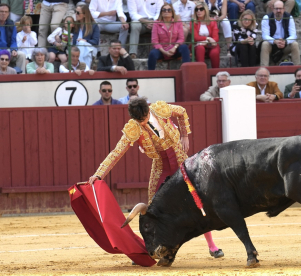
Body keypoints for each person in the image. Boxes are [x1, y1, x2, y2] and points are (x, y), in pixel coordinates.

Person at [88, 97, 224, 259]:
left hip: (180, 159)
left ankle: (212, 246)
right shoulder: (134, 127)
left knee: (196, 200)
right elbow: (117, 152)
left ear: (148, 111)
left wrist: (185, 135)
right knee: (153, 209)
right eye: (139, 122)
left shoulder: (160, 109)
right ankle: (152, 248)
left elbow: (182, 112)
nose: (143, 124)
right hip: (161, 165)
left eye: (144, 119)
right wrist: (99, 173)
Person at [147, 3, 190, 70]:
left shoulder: (178, 22)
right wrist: (164, 52)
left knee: (184, 47)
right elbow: (155, 41)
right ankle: (150, 75)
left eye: (169, 10)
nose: (166, 11)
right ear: (161, 13)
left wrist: (174, 48)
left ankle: (187, 71)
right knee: (152, 53)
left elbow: (181, 39)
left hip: (174, 50)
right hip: (162, 51)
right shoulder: (156, 23)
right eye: (164, 10)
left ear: (172, 13)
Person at [260, 0, 300, 66]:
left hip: (284, 44)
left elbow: (293, 35)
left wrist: (285, 41)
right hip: (272, 45)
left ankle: (298, 68)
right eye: (276, 9)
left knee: (295, 44)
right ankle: (264, 68)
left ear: (284, 9)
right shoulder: (266, 18)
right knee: (265, 44)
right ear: (273, 9)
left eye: (280, 8)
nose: (278, 10)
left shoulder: (289, 17)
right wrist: (275, 41)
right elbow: (265, 36)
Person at [191, 2, 220, 68]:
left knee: (214, 53)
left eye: (201, 9)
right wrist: (208, 38)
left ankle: (215, 74)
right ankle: (201, 72)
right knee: (200, 48)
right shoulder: (193, 22)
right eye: (196, 9)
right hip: (198, 44)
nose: (198, 11)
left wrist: (206, 41)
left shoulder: (212, 21)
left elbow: (216, 38)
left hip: (211, 44)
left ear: (205, 10)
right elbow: (195, 37)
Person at [0, 3, 26, 73]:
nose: (3, 14)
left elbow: (13, 40)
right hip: (1, 51)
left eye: (6, 12)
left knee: (21, 55)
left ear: (8, 13)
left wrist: (13, 49)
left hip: (8, 50)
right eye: (1, 11)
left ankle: (21, 78)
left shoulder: (11, 23)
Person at [73, 4, 100, 68]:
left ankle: (81, 68)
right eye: (75, 12)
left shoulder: (94, 25)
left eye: (78, 13)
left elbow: (95, 41)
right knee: (83, 50)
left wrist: (85, 40)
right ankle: (85, 69)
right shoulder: (76, 25)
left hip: (90, 48)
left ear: (85, 15)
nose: (76, 14)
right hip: (77, 49)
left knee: (82, 44)